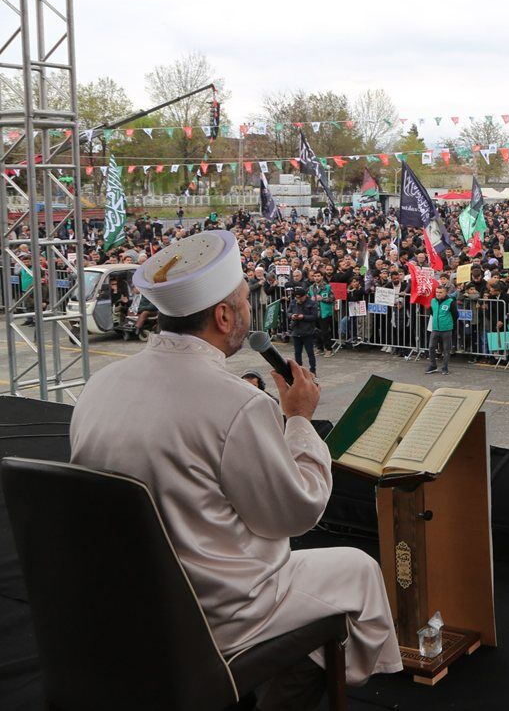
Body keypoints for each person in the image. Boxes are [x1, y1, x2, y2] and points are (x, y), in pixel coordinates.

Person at [69, 229, 401, 705]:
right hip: (217, 608)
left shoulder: (100, 385)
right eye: (246, 299)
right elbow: (295, 512)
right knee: (357, 571)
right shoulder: (237, 403)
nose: (251, 308)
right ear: (224, 316)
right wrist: (298, 419)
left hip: (126, 595)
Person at [288, 285, 319, 377]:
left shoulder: (312, 303)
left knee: (310, 353)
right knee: (297, 353)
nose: (299, 300)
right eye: (297, 298)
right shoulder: (293, 302)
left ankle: (313, 370)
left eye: (300, 297)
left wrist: (303, 317)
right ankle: (299, 370)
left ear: (305, 296)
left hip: (307, 331)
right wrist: (291, 316)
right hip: (296, 331)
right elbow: (288, 312)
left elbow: (314, 316)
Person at [425, 283, 455, 375]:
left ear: (445, 293)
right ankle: (433, 365)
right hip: (435, 328)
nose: (438, 294)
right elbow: (431, 312)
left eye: (440, 292)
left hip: (446, 329)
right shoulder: (433, 301)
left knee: (446, 349)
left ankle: (445, 367)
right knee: (431, 347)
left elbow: (455, 315)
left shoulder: (450, 301)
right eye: (437, 292)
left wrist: (447, 323)